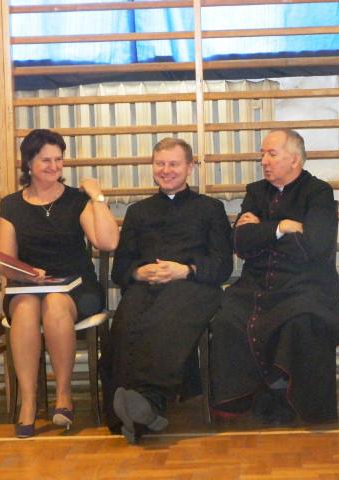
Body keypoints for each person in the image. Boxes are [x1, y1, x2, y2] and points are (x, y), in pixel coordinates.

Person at [209, 128, 339, 424]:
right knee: (226, 317)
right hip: (255, 285)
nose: (264, 160)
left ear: (295, 159)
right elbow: (239, 242)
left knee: (302, 320)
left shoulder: (318, 193)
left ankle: (290, 398)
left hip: (305, 284)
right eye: (262, 154)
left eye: (271, 154)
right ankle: (246, 398)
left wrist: (260, 230)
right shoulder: (256, 192)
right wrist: (281, 227)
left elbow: (314, 246)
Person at [106, 137, 233, 444]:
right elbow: (120, 269)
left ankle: (149, 401)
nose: (166, 170)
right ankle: (131, 414)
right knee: (126, 322)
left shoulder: (211, 209)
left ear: (189, 168)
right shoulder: (138, 212)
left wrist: (185, 270)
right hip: (146, 286)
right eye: (160, 164)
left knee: (164, 318)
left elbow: (223, 266)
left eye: (173, 164)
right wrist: (139, 272)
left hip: (194, 286)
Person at [0, 128, 119, 438]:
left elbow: (107, 242)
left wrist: (97, 197)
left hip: (76, 287)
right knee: (25, 309)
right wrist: (26, 273)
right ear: (28, 163)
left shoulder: (77, 200)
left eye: (58, 159)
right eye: (45, 160)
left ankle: (64, 395)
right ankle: (29, 401)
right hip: (29, 286)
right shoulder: (11, 205)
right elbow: (5, 263)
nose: (54, 166)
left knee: (55, 304)